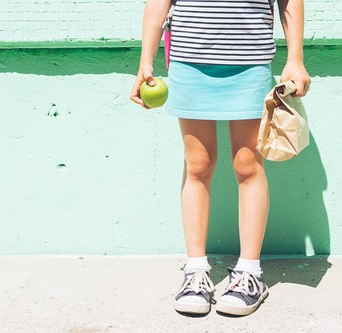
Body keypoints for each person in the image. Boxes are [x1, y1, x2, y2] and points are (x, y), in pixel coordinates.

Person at [130, 0, 311, 316]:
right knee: (198, 165)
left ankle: (250, 272)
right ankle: (196, 271)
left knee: (248, 165)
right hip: (189, 63)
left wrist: (295, 56)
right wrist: (146, 58)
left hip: (250, 63)